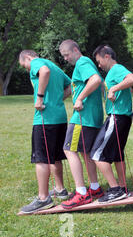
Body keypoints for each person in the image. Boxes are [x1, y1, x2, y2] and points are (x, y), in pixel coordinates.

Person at [18, 50, 72, 214]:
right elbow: (69, 86)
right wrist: (56, 100)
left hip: (45, 119)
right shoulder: (54, 66)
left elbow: (44, 72)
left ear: (28, 57)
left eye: (24, 66)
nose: (28, 70)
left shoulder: (37, 63)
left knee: (41, 158)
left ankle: (43, 198)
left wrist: (40, 98)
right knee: (55, 156)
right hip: (60, 117)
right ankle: (60, 189)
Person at [59, 40, 104, 210]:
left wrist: (79, 98)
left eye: (66, 54)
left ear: (75, 50)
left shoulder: (82, 62)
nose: (65, 58)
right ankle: (95, 188)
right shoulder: (87, 63)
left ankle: (82, 193)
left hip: (82, 118)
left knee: (69, 149)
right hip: (92, 117)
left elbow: (95, 80)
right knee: (86, 153)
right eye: (63, 56)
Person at [90, 45, 133, 203]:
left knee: (97, 154)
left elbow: (132, 79)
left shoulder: (117, 69)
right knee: (117, 155)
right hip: (123, 117)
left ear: (107, 56)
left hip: (117, 117)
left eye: (99, 61)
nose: (99, 65)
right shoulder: (113, 72)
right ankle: (122, 187)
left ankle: (115, 189)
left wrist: (113, 89)